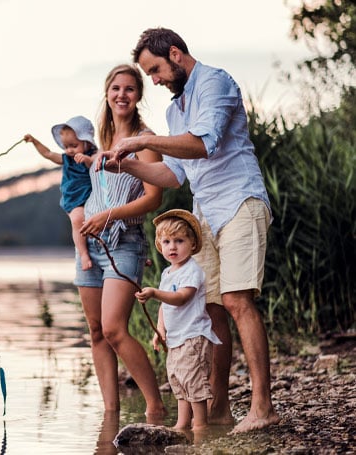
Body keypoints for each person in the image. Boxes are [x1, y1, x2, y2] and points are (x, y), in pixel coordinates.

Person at [98, 27, 280, 433]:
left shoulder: (216, 82)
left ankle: (263, 406)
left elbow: (204, 144)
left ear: (176, 54)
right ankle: (217, 410)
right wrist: (125, 163)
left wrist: (141, 139)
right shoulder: (174, 112)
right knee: (210, 309)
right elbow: (172, 173)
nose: (156, 80)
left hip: (239, 202)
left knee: (236, 300)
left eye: (156, 70)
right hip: (204, 214)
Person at [74, 64, 166, 417]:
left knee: (114, 328)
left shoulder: (145, 140)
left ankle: (155, 406)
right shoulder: (101, 142)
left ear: (138, 95)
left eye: (129, 89)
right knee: (96, 331)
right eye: (115, 88)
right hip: (90, 243)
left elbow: (154, 198)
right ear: (107, 93)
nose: (121, 95)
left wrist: (109, 216)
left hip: (124, 241)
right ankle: (110, 415)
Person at [135, 209, 221, 432]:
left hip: (193, 337)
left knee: (193, 381)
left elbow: (182, 298)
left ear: (192, 244)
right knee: (179, 380)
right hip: (175, 339)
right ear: (160, 245)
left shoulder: (192, 270)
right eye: (167, 241)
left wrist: (154, 293)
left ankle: (200, 425)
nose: (172, 247)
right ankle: (182, 424)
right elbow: (165, 307)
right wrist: (159, 329)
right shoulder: (167, 273)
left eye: (179, 241)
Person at [24, 116, 97, 270]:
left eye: (74, 145)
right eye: (66, 146)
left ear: (87, 142)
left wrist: (86, 160)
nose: (69, 150)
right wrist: (35, 141)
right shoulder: (67, 159)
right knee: (78, 219)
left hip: (92, 196)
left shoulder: (93, 155)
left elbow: (95, 163)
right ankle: (83, 254)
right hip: (74, 198)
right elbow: (48, 154)